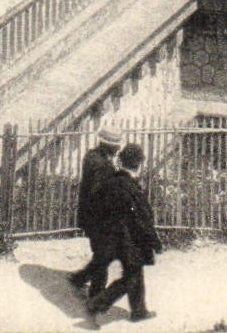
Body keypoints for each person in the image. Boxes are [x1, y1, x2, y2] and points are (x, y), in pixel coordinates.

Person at [86, 143, 162, 324]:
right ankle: (98, 303)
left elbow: (98, 206)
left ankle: (139, 311)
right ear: (139, 164)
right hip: (130, 240)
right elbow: (141, 219)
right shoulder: (131, 187)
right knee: (131, 277)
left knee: (135, 274)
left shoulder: (111, 181)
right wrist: (154, 241)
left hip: (112, 237)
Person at [67, 128, 122, 300]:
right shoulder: (101, 164)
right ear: (108, 145)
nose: (118, 149)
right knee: (103, 255)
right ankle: (96, 294)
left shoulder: (92, 156)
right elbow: (98, 192)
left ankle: (81, 278)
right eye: (116, 146)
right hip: (99, 217)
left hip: (91, 214)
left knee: (103, 253)